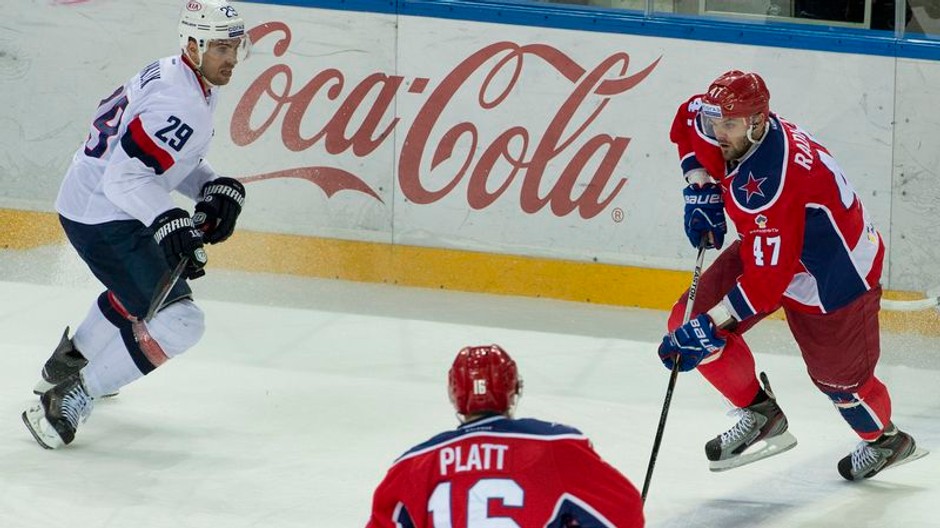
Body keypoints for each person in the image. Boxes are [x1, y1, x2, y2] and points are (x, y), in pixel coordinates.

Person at [657, 70, 927, 481]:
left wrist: (711, 324)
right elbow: (684, 120)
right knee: (685, 322)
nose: (718, 132)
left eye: (728, 125)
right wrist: (699, 187)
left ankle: (885, 441)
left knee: (842, 385)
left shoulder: (773, 184)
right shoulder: (728, 124)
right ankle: (762, 416)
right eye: (717, 122)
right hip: (771, 246)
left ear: (758, 122)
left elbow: (765, 287)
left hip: (834, 276)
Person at [21, 0, 250, 449]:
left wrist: (211, 185)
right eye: (222, 48)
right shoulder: (179, 99)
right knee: (182, 321)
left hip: (97, 204)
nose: (232, 58)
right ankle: (67, 399)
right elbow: (124, 178)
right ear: (192, 43)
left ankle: (66, 367)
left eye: (236, 46)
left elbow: (160, 160)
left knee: (141, 292)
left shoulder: (180, 75)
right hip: (104, 214)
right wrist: (166, 219)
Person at [367, 345, 645, 527]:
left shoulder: (412, 464)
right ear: (513, 389)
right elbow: (625, 511)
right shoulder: (555, 446)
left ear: (454, 394)